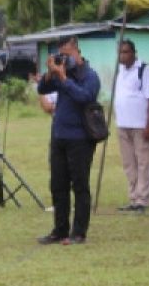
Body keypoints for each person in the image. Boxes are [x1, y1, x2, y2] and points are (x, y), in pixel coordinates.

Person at [36, 36, 101, 246]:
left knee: (80, 185)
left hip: (81, 138)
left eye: (66, 54)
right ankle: (59, 229)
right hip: (59, 136)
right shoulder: (61, 72)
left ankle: (79, 232)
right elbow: (42, 90)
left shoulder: (90, 75)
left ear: (77, 51)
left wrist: (64, 79)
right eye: (60, 54)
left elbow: (85, 97)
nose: (63, 58)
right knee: (58, 185)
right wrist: (50, 72)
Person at [113, 39, 149, 212]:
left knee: (144, 162)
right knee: (129, 163)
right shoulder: (120, 71)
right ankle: (133, 197)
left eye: (125, 52)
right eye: (120, 52)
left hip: (140, 125)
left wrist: (148, 125)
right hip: (123, 124)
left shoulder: (145, 70)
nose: (122, 56)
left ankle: (143, 198)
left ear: (134, 53)